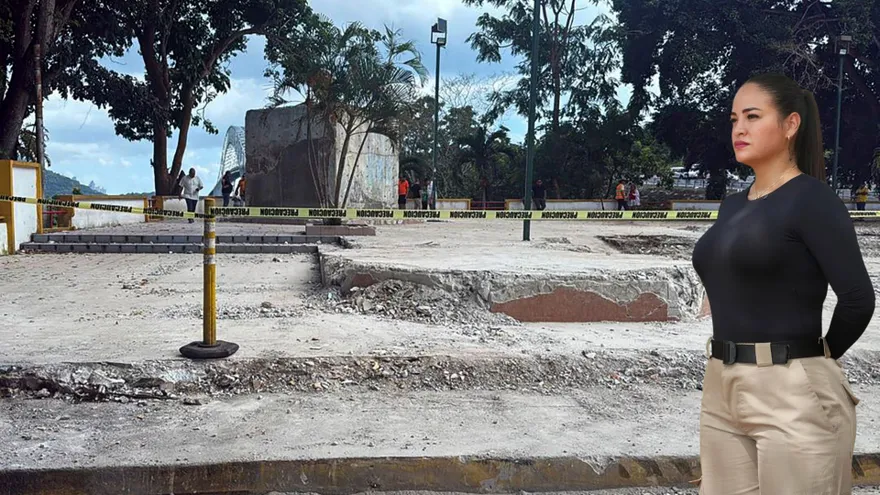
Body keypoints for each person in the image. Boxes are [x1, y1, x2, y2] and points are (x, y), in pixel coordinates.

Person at [692, 73, 874, 494]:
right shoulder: (732, 206)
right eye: (734, 118)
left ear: (791, 125)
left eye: (753, 116)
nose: (739, 128)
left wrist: (815, 361)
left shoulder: (813, 200)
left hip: (792, 389)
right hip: (721, 385)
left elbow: (858, 300)